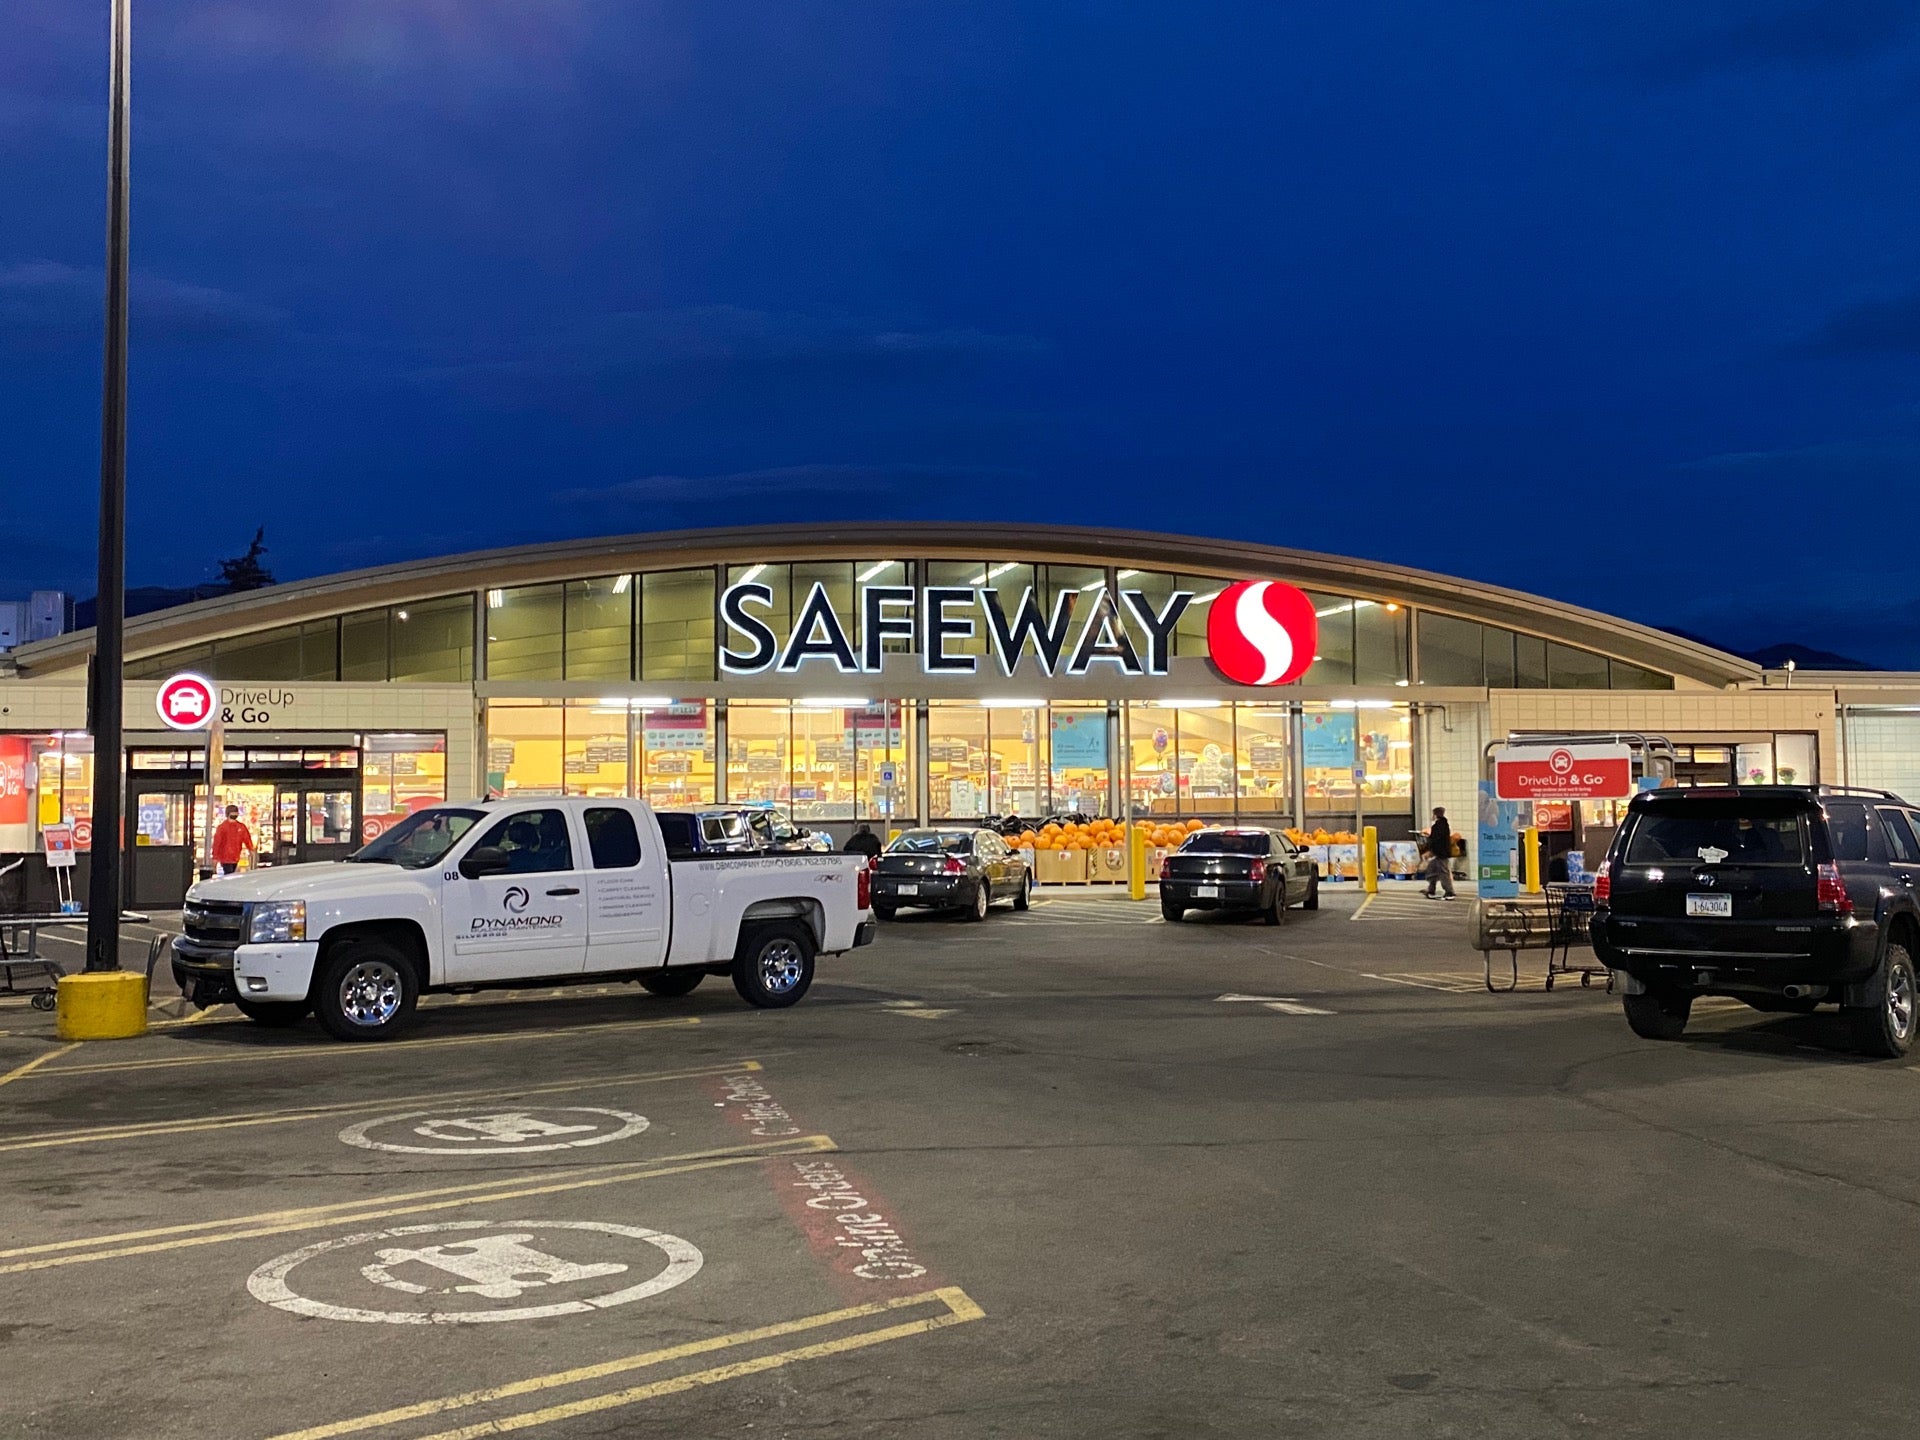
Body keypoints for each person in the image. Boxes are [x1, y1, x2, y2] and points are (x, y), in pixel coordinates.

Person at [210, 805, 256, 876]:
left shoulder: (225, 827)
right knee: (230, 874)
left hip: (232, 857)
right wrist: (251, 849)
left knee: (230, 874)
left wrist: (215, 858)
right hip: (227, 857)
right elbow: (217, 843)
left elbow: (217, 843)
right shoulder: (225, 827)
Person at [1422, 806, 1455, 900]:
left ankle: (1449, 892)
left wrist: (1430, 851)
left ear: (1435, 815)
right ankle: (1431, 890)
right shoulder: (1444, 825)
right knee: (1432, 871)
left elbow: (1435, 840)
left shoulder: (1437, 827)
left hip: (1439, 853)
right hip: (1441, 853)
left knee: (1443, 873)